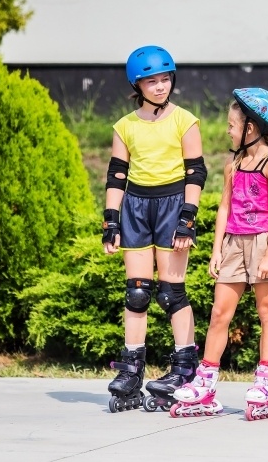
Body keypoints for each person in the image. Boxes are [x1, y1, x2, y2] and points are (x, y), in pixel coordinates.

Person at [171, 88, 268, 421]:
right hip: (235, 242)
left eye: (232, 125)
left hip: (264, 241)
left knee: (267, 310)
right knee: (220, 313)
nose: (228, 131)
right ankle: (205, 381)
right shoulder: (233, 164)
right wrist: (217, 249)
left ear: (250, 127)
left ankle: (265, 381)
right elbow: (224, 207)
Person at [103, 45, 206, 413]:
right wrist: (111, 221)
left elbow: (196, 171)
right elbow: (117, 174)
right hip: (135, 206)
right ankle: (131, 369)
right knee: (137, 293)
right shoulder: (125, 126)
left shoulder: (185, 120)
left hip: (172, 205)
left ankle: (184, 367)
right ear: (138, 85)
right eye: (152, 81)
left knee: (172, 292)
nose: (160, 86)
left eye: (165, 79)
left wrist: (187, 217)